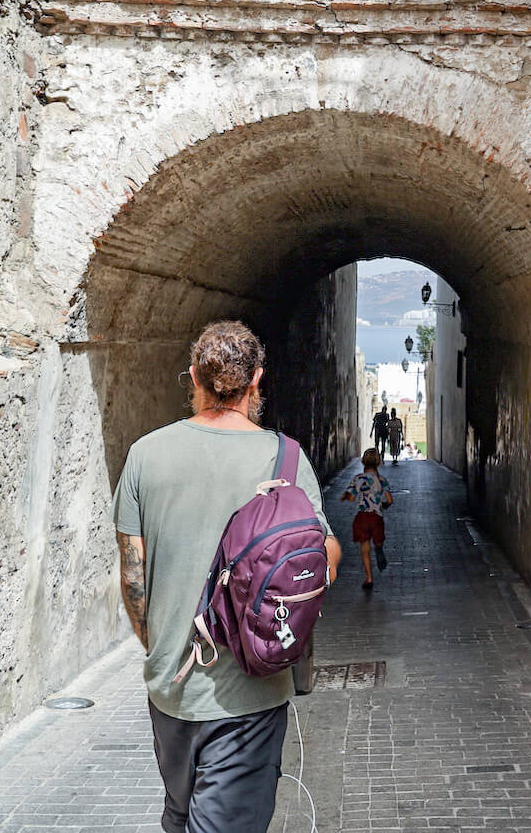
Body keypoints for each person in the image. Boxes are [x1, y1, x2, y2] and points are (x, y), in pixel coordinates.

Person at [111, 320, 342, 833]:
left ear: (193, 376)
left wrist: (160, 642)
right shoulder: (285, 457)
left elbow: (133, 576)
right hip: (250, 691)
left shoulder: (145, 455)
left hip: (169, 691)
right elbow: (321, 558)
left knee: (179, 814)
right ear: (257, 380)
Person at [342, 447, 392, 591]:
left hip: (362, 517)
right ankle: (378, 545)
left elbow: (351, 498)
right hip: (377, 516)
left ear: (363, 462)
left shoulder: (358, 478)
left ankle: (369, 578)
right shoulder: (381, 480)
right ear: (378, 462)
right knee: (378, 538)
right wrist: (383, 505)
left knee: (364, 549)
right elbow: (389, 500)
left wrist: (347, 496)